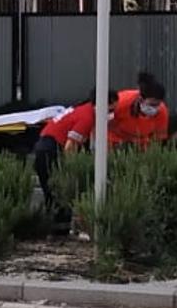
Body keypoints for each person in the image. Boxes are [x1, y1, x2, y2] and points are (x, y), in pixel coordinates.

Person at [34, 89, 119, 229]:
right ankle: (58, 228)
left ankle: (56, 228)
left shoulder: (81, 109)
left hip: (45, 146)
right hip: (50, 150)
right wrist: (72, 170)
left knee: (53, 194)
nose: (111, 114)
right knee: (59, 192)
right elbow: (70, 147)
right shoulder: (87, 117)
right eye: (110, 110)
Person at [108, 72, 169, 149]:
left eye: (157, 104)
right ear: (140, 99)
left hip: (140, 146)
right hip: (113, 142)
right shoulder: (120, 103)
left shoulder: (162, 111)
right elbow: (101, 123)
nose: (154, 108)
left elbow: (158, 139)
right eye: (151, 104)